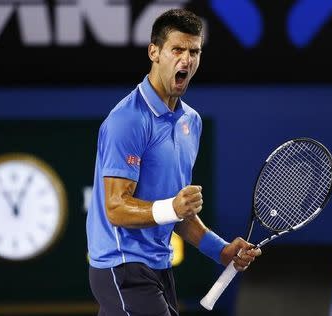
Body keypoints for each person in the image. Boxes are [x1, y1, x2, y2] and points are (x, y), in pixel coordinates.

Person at [86, 8, 261, 316]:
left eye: (194, 51)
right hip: (122, 266)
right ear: (154, 52)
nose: (187, 60)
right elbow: (114, 207)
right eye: (177, 49)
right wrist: (172, 207)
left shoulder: (191, 122)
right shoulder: (127, 120)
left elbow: (178, 214)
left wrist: (220, 250)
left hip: (159, 268)